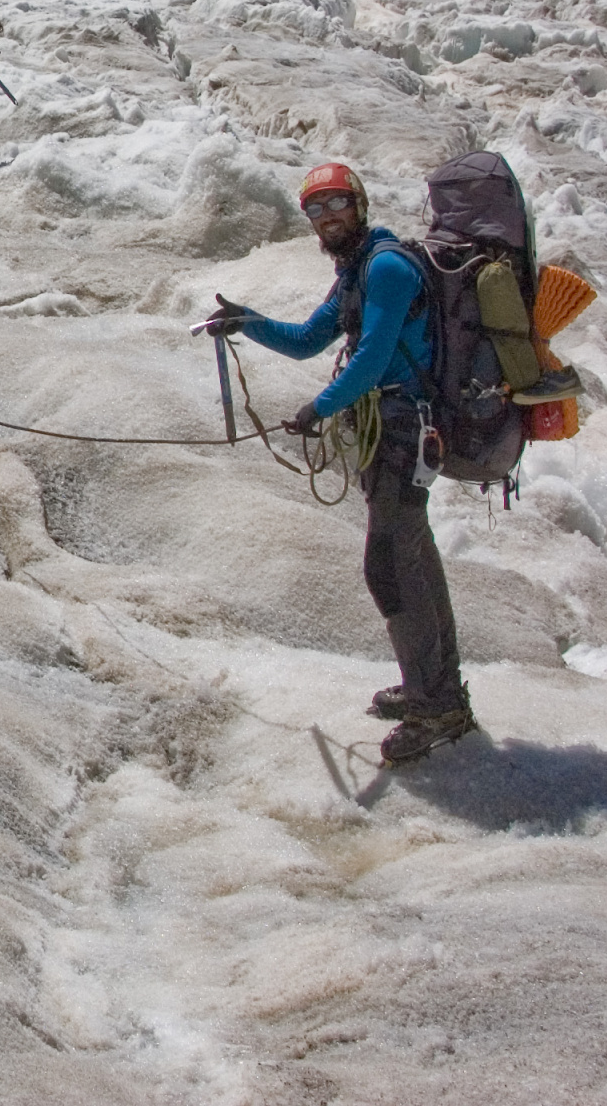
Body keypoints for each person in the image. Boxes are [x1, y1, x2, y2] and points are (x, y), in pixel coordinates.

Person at [202, 163, 477, 764]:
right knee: (412, 555)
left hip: (406, 430)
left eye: (336, 205)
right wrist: (246, 319)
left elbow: (374, 356)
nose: (327, 218)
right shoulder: (358, 269)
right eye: (316, 210)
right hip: (392, 433)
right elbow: (307, 338)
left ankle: (438, 708)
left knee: (390, 565)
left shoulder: (386, 269)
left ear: (360, 204)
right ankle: (435, 687)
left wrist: (318, 408)